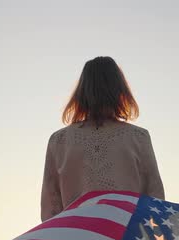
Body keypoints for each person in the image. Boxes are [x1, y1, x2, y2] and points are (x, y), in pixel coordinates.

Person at [40, 56, 165, 222]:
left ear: (81, 92)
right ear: (120, 90)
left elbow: (50, 209)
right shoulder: (138, 137)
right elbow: (155, 200)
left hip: (75, 239)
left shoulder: (59, 140)